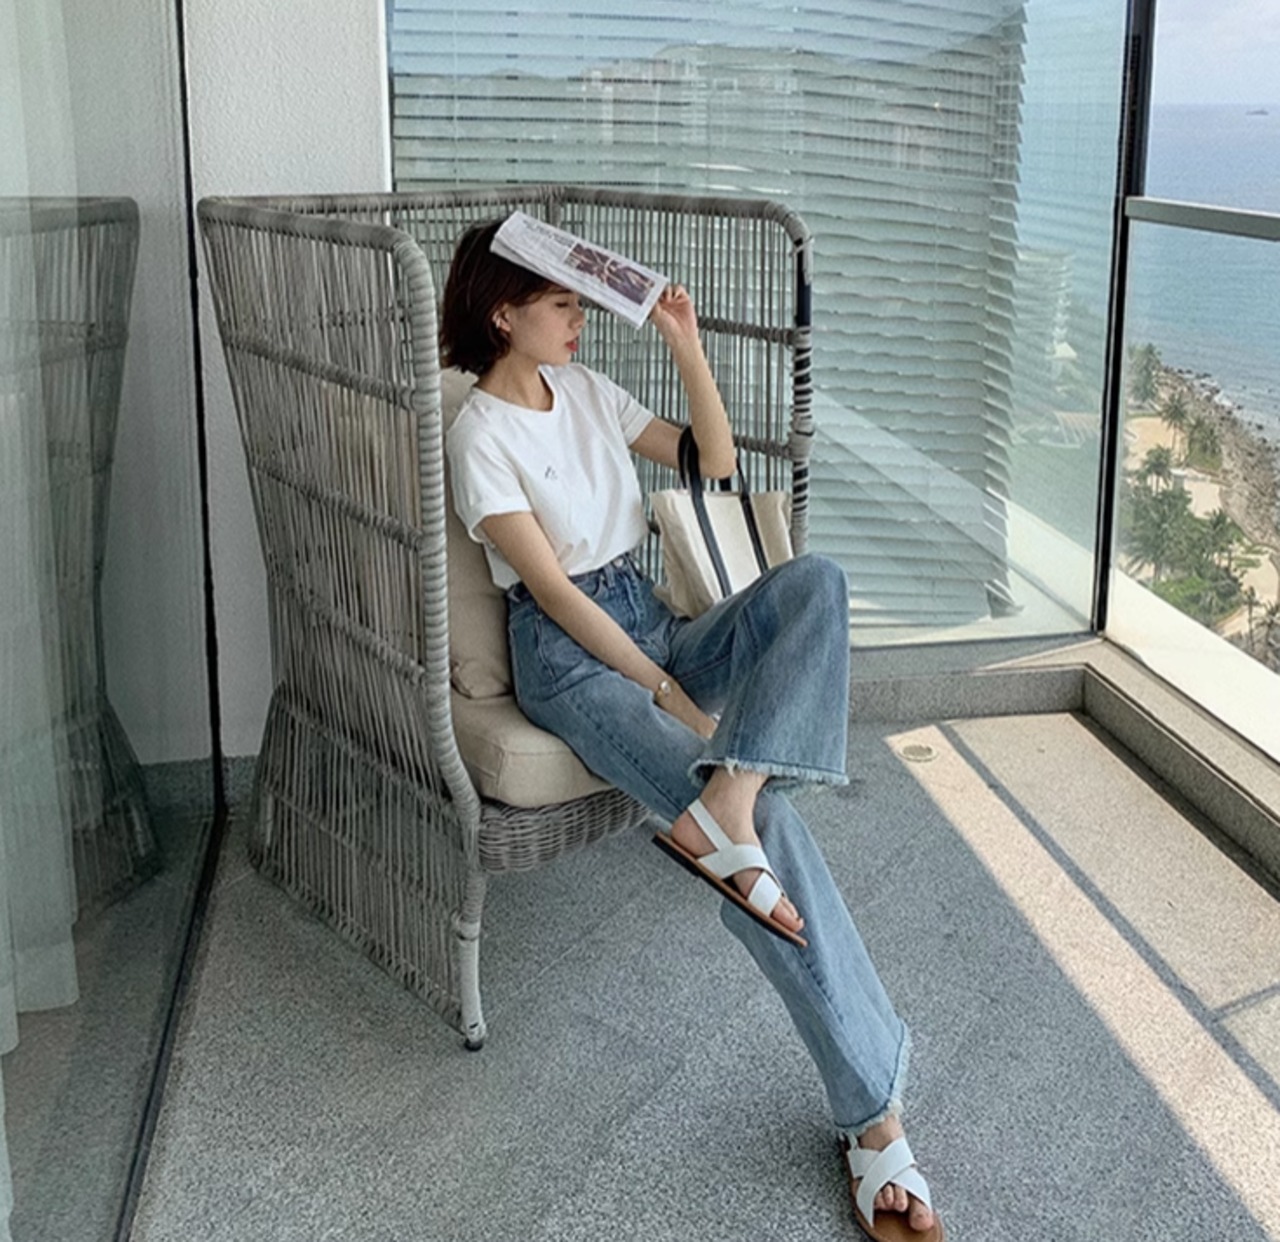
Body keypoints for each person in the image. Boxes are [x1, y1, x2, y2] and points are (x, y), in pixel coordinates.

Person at [440, 218, 943, 1242]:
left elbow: (710, 463)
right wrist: (665, 692)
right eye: (562, 304)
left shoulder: (584, 391)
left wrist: (684, 343)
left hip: (650, 612)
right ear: (503, 314)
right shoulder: (479, 435)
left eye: (580, 304)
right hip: (572, 657)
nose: (580, 322)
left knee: (815, 585)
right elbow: (554, 596)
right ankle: (871, 1118)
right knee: (774, 842)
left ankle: (729, 798)